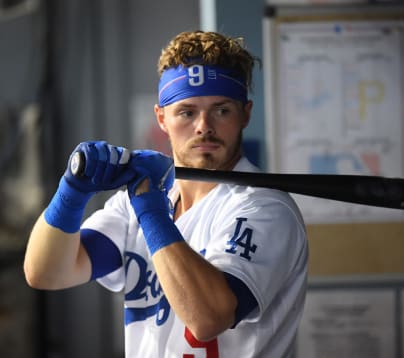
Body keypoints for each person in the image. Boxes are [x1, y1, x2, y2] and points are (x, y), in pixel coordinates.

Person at [24, 30, 308, 357]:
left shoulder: (264, 207)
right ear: (162, 118)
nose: (204, 126)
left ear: (245, 113)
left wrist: (151, 211)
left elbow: (209, 317)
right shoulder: (133, 207)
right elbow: (45, 272)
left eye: (221, 110)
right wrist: (72, 192)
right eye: (187, 112)